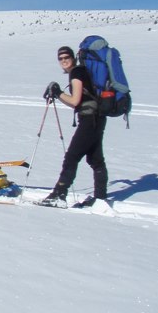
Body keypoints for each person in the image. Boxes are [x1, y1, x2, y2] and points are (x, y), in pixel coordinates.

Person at [40, 45, 109, 208]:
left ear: (73, 58)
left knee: (72, 156)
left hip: (89, 120)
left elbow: (75, 101)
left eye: (66, 57)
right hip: (96, 119)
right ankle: (100, 197)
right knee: (96, 159)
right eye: (61, 58)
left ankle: (59, 193)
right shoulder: (81, 71)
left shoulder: (77, 73)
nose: (64, 61)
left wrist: (57, 92)